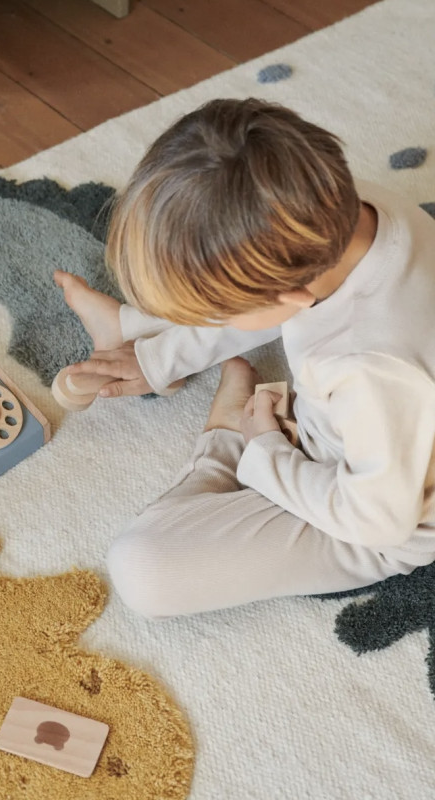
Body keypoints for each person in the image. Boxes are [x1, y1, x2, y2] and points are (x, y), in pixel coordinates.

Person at [54, 97, 435, 617]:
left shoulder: (370, 369)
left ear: (291, 299)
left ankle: (225, 443)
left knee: (144, 570)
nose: (214, 321)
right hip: (374, 421)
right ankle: (132, 332)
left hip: (376, 512)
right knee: (206, 263)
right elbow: (256, 302)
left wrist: (266, 452)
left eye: (217, 313)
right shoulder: (336, 206)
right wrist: (157, 361)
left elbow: (378, 520)